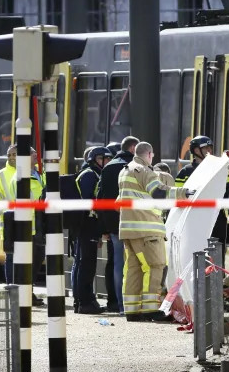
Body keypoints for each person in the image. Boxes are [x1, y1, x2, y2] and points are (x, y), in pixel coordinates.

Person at [117, 142, 192, 321]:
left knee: (133, 270)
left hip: (128, 229)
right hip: (146, 228)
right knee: (155, 266)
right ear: (150, 154)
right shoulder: (144, 171)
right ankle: (151, 309)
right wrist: (184, 193)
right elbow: (158, 192)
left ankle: (132, 311)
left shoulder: (124, 171)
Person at [96, 136, 139, 314]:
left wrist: (105, 227)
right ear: (133, 148)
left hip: (115, 225)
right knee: (137, 265)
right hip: (137, 223)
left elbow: (101, 199)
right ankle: (134, 304)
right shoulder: (137, 167)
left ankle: (121, 305)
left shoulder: (109, 167)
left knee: (118, 265)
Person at [175, 135, 229, 254]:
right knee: (195, 252)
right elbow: (177, 196)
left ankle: (218, 273)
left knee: (218, 253)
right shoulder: (185, 173)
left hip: (217, 219)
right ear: (196, 151)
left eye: (210, 148)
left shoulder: (217, 170)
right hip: (193, 219)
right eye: (206, 148)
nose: (210, 151)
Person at [73, 145, 112, 314]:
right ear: (95, 159)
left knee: (88, 263)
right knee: (86, 264)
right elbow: (89, 201)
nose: (107, 162)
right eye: (104, 159)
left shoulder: (95, 173)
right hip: (86, 224)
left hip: (89, 224)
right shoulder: (89, 175)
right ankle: (84, 302)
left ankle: (86, 300)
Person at [7, 147, 46, 306]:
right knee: (27, 263)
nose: (36, 155)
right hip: (28, 226)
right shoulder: (21, 177)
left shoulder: (37, 174)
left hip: (38, 225)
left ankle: (28, 292)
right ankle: (22, 296)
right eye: (31, 153)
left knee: (36, 261)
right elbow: (29, 200)